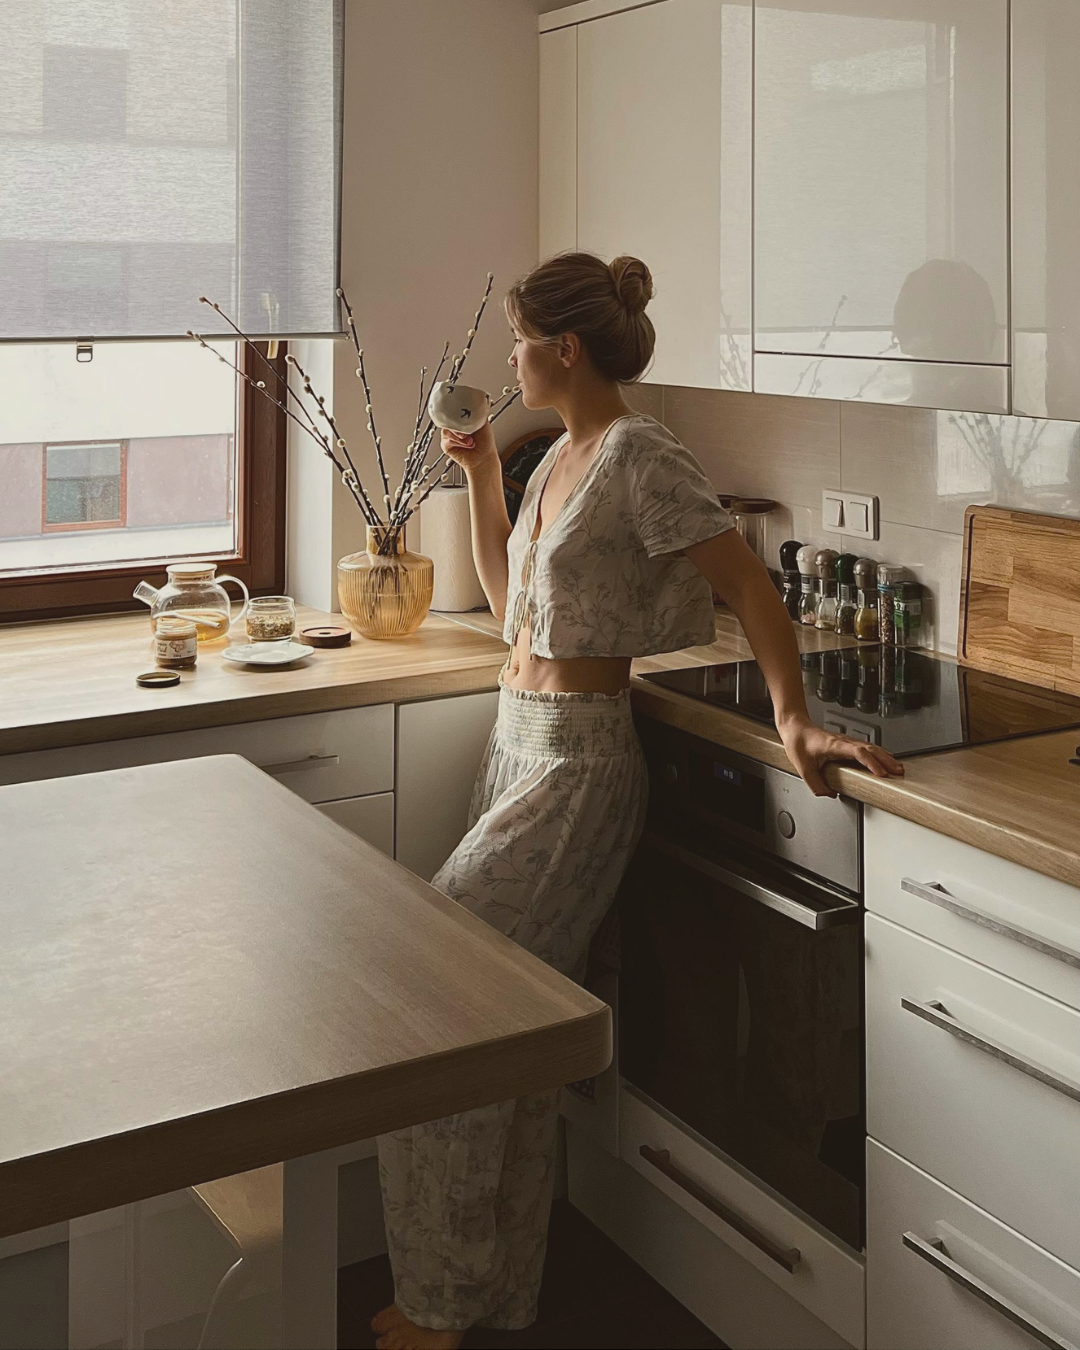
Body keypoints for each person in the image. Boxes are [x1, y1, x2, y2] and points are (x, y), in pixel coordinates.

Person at [372, 252, 903, 1350]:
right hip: (513, 744)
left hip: (576, 763)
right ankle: (488, 1298)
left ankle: (441, 1304)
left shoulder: (638, 453)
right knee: (506, 1038)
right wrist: (478, 476)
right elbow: (517, 600)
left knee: (443, 1009)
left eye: (520, 339)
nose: (507, 358)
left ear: (564, 350)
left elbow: (747, 585)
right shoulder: (561, 456)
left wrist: (794, 716)